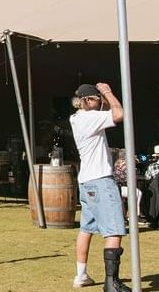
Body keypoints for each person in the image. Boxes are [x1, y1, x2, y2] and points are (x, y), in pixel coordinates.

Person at [69, 83, 129, 292]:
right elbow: (120, 114)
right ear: (86, 101)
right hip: (101, 180)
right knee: (114, 229)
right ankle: (111, 282)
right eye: (95, 99)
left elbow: (105, 113)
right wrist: (108, 93)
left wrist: (101, 99)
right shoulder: (90, 117)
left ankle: (81, 275)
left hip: (86, 180)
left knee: (87, 228)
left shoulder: (76, 118)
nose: (99, 102)